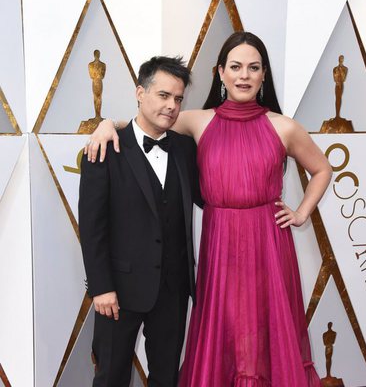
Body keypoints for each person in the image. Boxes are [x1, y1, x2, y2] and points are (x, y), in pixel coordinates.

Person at [86, 32, 332, 386]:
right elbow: (151, 123)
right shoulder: (198, 120)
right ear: (221, 73)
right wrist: (107, 124)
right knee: (225, 332)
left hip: (268, 244)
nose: (244, 75)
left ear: (264, 75)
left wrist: (302, 212)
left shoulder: (284, 126)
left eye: (253, 67)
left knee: (266, 332)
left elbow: (322, 169)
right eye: (235, 67)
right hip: (220, 244)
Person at [79, 56, 201, 387]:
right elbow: (92, 228)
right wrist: (101, 287)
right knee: (110, 379)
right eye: (163, 95)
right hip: (117, 292)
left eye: (178, 99)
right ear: (139, 93)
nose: (172, 106)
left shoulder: (186, 149)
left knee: (166, 380)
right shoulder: (104, 148)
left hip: (172, 291)